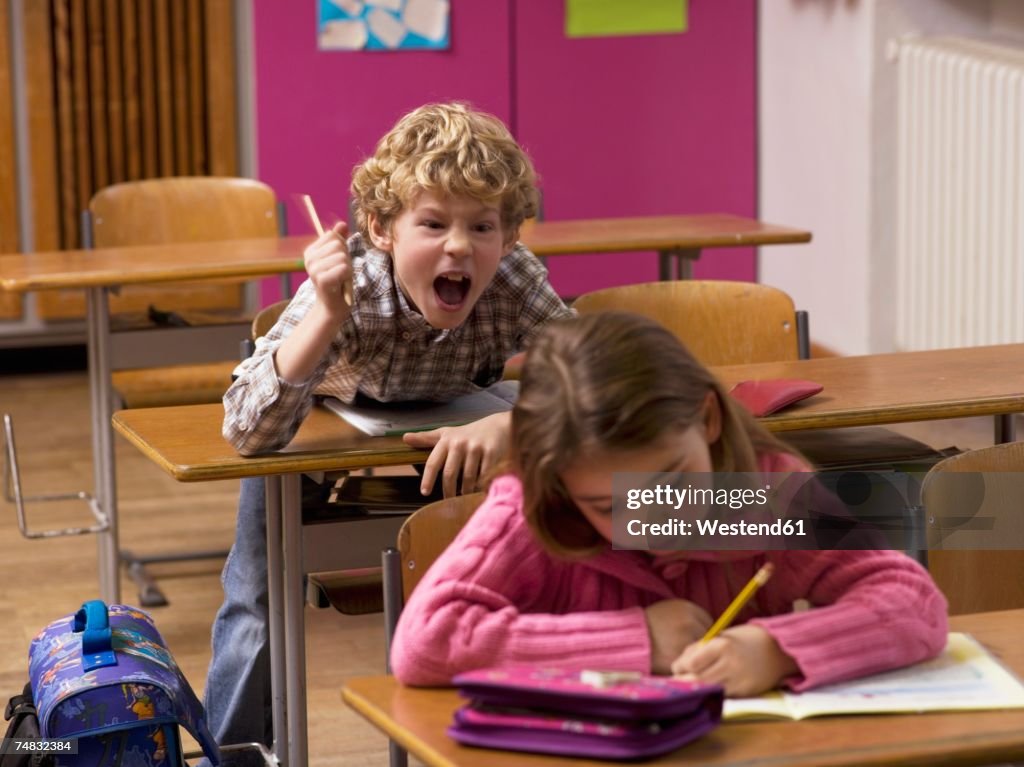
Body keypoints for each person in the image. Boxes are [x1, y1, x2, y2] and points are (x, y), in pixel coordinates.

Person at [205, 102, 573, 764]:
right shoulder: (354, 279)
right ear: (381, 228)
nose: (459, 245)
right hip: (329, 419)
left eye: (482, 226)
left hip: (458, 413)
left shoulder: (514, 278)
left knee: (545, 519)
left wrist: (512, 422)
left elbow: (593, 375)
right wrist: (324, 313)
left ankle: (511, 731)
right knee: (255, 597)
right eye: (432, 223)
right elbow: (247, 433)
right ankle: (231, 752)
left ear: (511, 235)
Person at [390, 312, 948, 697]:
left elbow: (913, 602)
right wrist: (636, 642)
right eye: (607, 506)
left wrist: (778, 650)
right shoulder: (534, 509)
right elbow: (426, 642)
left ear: (706, 420)